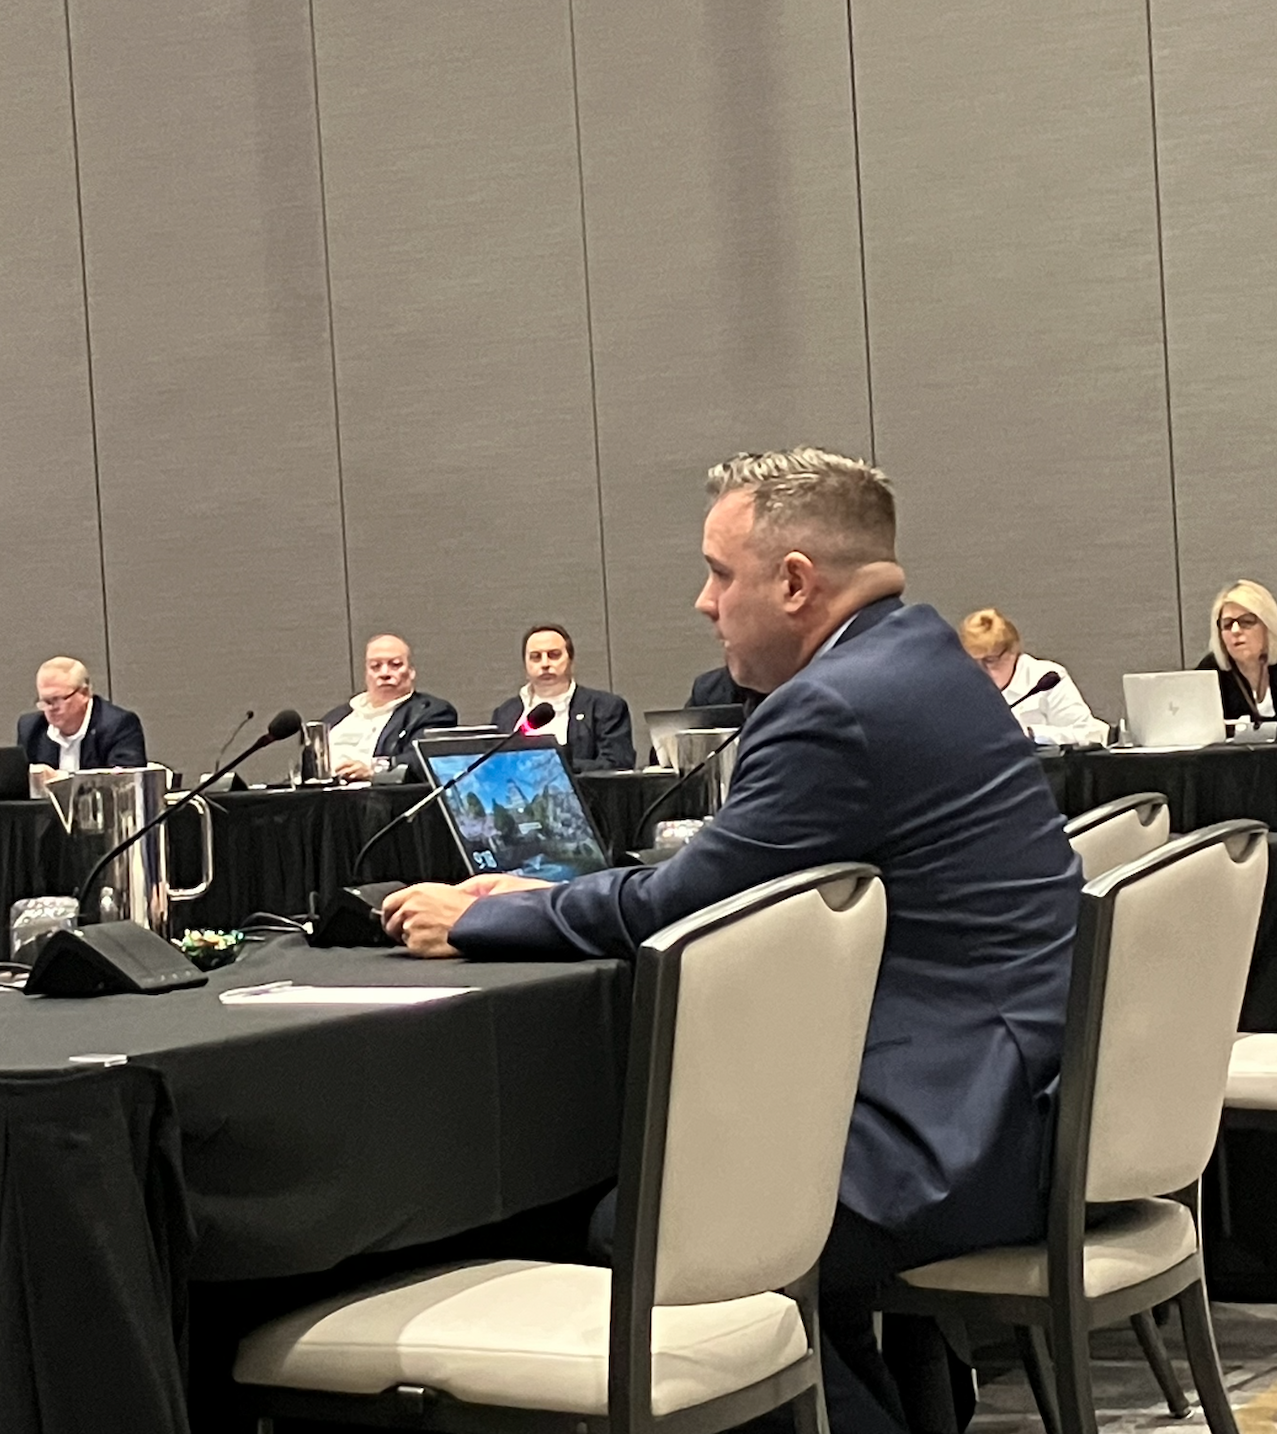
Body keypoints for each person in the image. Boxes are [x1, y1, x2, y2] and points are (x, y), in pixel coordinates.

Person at [383, 447, 1079, 1434]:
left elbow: (684, 909)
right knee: (711, 1207)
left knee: (639, 1233)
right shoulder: (918, 657)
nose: (703, 603)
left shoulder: (831, 705)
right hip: (1017, 1093)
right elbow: (711, 884)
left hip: (957, 1133)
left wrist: (486, 913)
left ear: (794, 583)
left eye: (718, 573)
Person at [490, 624, 636, 772]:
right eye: (536, 657)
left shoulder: (605, 707)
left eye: (554, 655)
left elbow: (617, 764)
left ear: (571, 661)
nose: (545, 664)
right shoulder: (505, 713)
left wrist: (556, 764)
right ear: (525, 666)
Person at [1195, 579, 1277, 737]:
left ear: (1268, 626)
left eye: (1246, 622)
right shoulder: (1211, 670)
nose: (1235, 631)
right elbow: (1195, 727)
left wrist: (1244, 729)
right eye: (1227, 624)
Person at [958, 608, 1108, 746]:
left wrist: (1031, 734)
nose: (982, 670)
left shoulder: (1046, 679)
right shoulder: (960, 684)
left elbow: (1088, 734)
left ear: (1012, 651)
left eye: (990, 661)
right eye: (973, 662)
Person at [322, 634, 458, 780]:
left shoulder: (431, 712)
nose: (384, 673)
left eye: (395, 665)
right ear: (366, 673)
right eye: (375, 666)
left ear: (411, 672)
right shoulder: (334, 719)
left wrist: (373, 771)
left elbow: (423, 761)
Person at [16, 657, 146, 776]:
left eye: (57, 700)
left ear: (84, 693)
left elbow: (125, 785)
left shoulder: (118, 725)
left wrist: (57, 780)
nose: (50, 708)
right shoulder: (31, 729)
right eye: (45, 701)